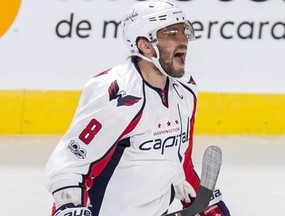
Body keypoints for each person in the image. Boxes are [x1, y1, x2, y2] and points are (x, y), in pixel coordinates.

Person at [45, 1, 230, 215]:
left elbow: (181, 160)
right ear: (145, 45)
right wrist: (68, 206)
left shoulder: (185, 89)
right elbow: (72, 162)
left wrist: (207, 204)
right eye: (171, 34)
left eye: (183, 31)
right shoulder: (117, 93)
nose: (183, 41)